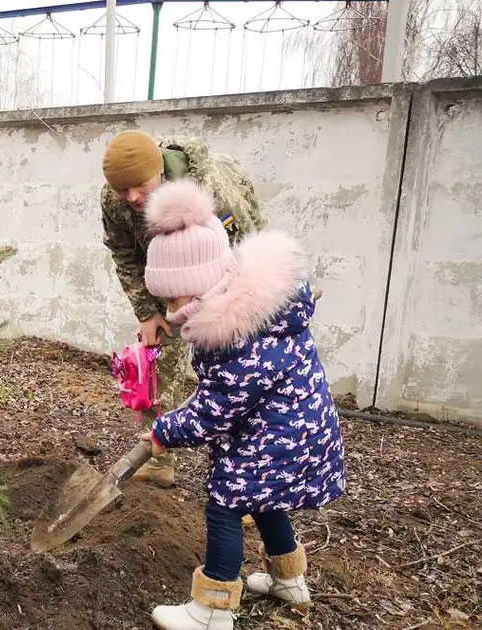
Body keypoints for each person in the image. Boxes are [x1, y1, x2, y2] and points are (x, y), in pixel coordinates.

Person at [135, 179, 345, 630]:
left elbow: (214, 410)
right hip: (297, 428)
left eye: (173, 297)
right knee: (265, 499)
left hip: (277, 436)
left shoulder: (236, 336)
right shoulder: (254, 309)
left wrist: (162, 433)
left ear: (201, 283)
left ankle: (212, 610)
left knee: (225, 501)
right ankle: (290, 581)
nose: (170, 311)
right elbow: (227, 395)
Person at [101, 129, 266, 489]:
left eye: (140, 186)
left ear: (158, 169)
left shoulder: (211, 188)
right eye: (121, 190)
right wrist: (147, 312)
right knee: (155, 366)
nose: (131, 197)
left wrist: (237, 312)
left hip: (228, 281)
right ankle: (160, 462)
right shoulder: (116, 199)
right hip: (168, 286)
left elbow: (250, 246)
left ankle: (257, 486)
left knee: (242, 380)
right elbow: (123, 253)